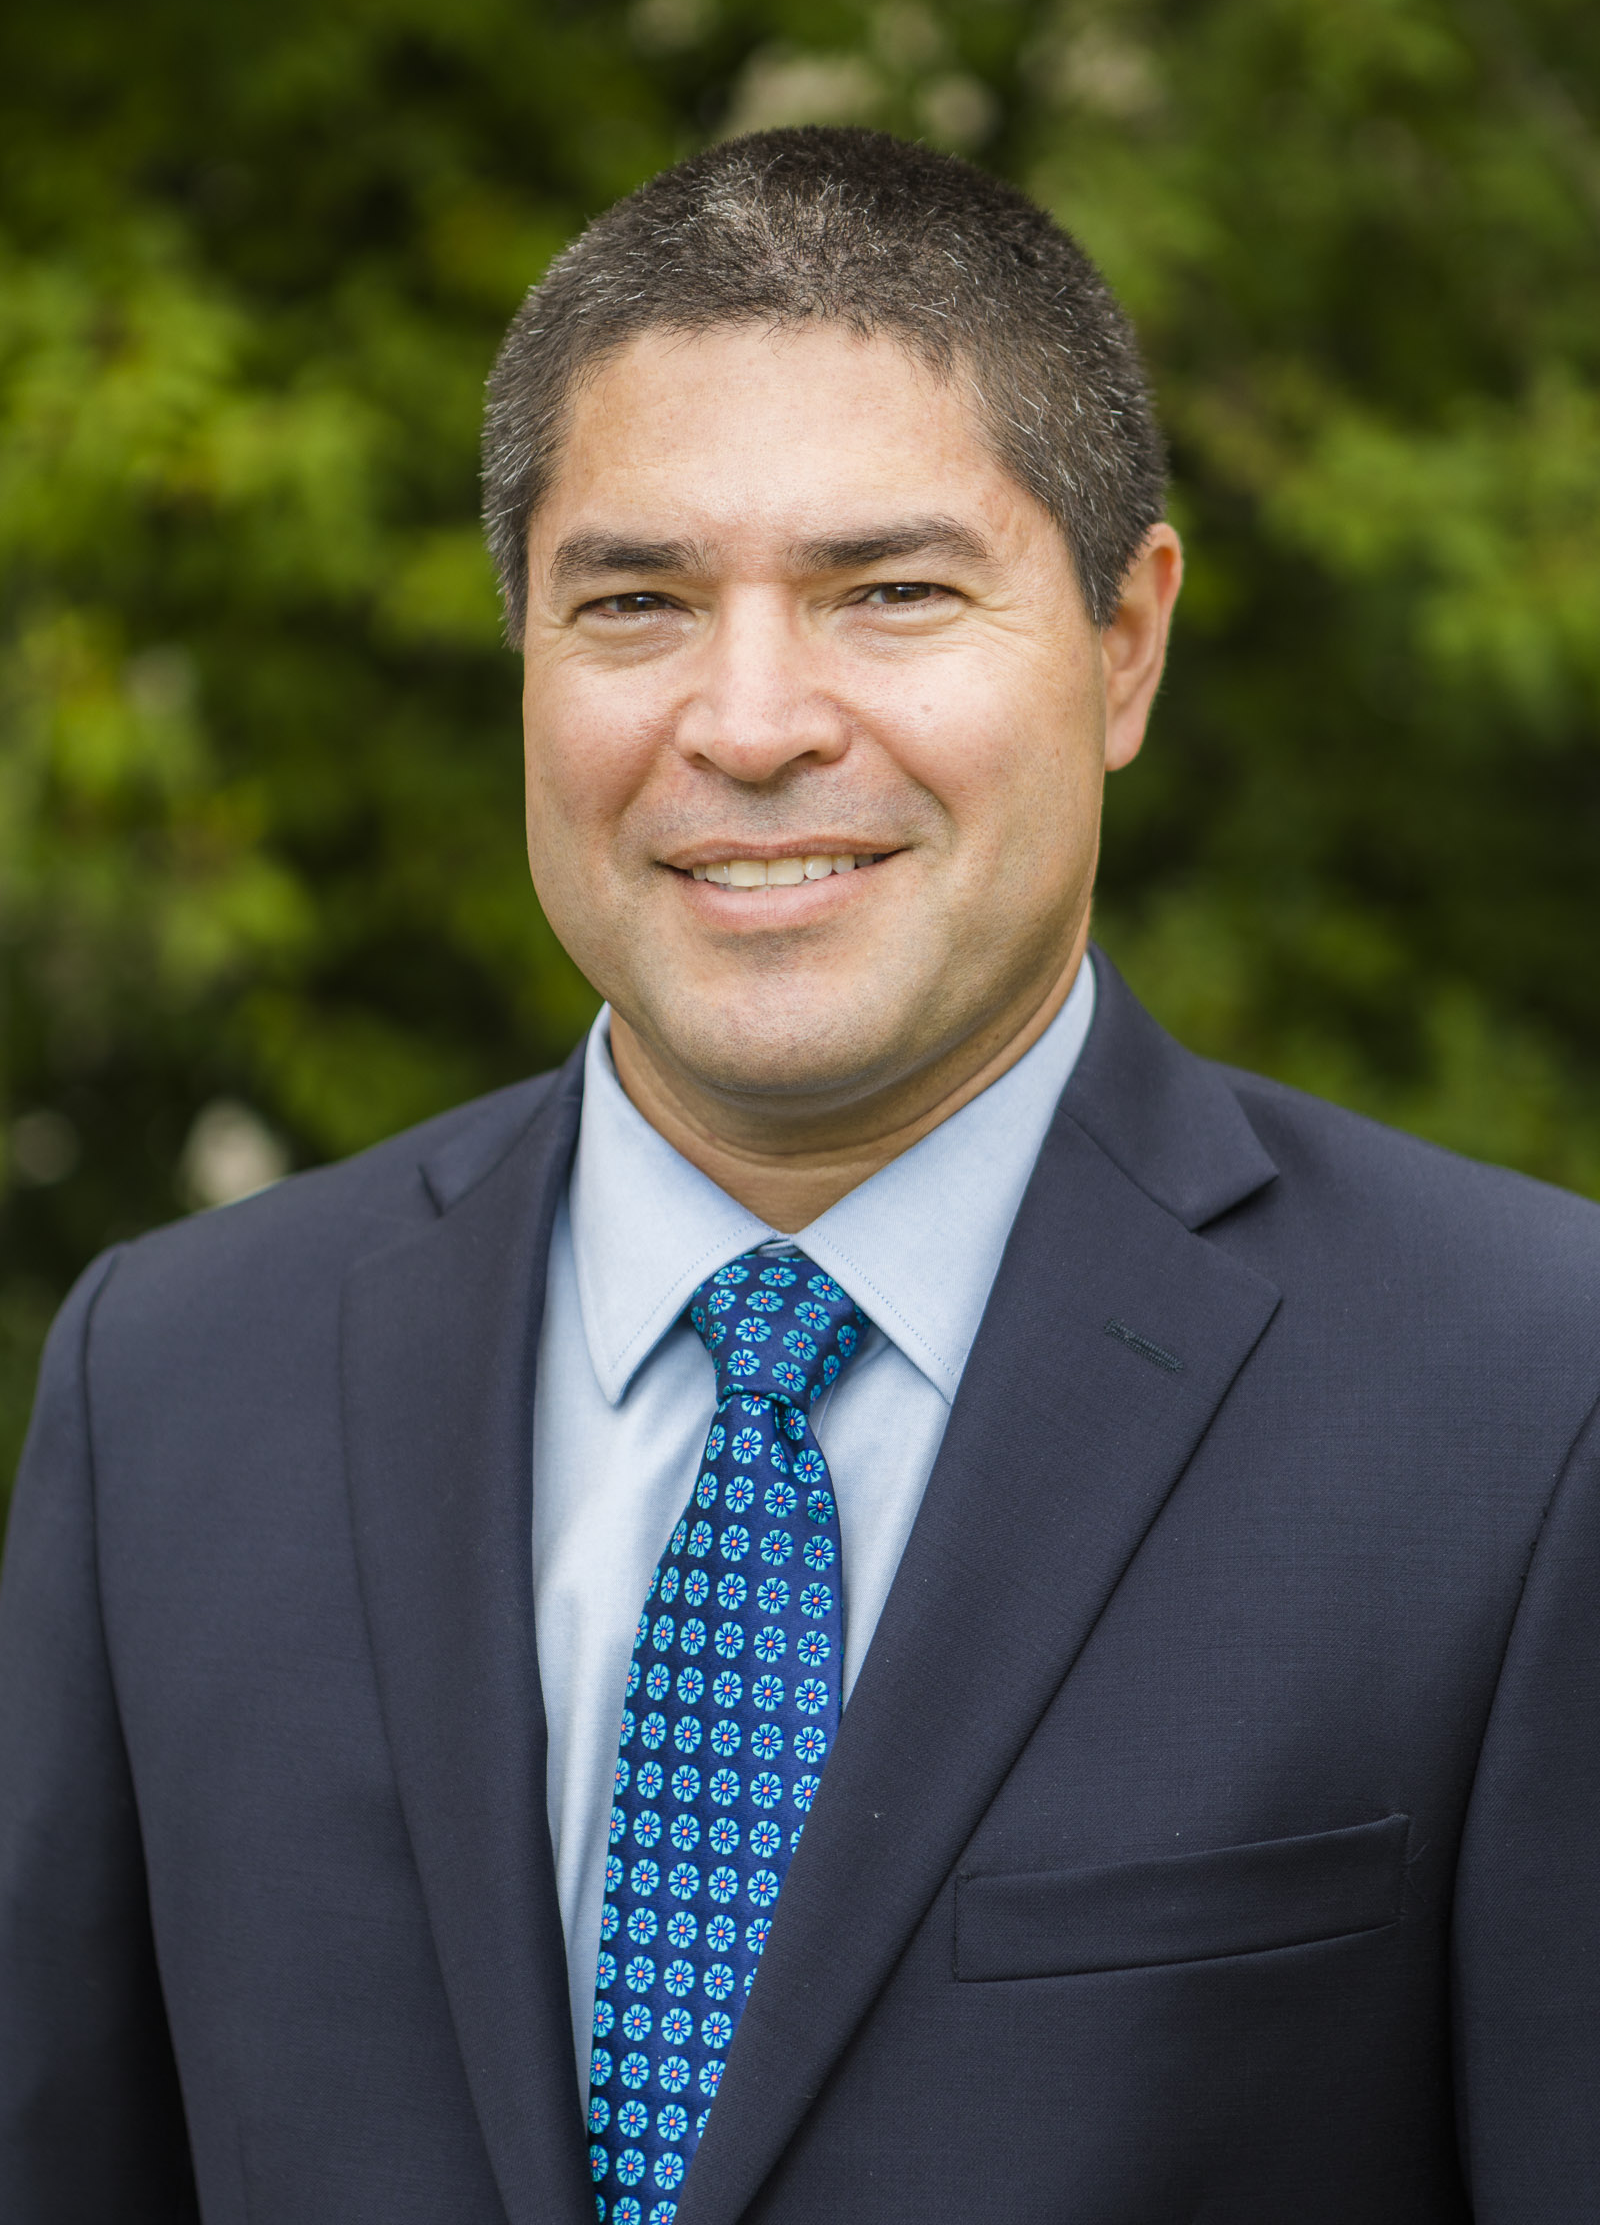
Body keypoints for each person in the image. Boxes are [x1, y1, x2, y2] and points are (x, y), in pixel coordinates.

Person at [2, 126, 1598, 2225]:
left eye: (891, 592)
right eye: (636, 603)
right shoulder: (173, 1385)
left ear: (1125, 642)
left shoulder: (1528, 1401)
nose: (750, 724)